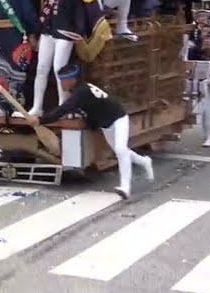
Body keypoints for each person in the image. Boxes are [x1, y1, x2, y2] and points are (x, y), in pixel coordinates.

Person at [42, 64, 153, 199]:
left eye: (63, 81)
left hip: (118, 118)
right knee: (122, 151)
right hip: (106, 124)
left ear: (72, 80)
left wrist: (41, 120)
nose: (61, 85)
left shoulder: (81, 92)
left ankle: (125, 188)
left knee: (120, 149)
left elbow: (65, 108)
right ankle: (144, 161)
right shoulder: (79, 91)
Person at [30, 0, 88, 117]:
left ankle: (63, 106)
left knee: (58, 69)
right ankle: (37, 106)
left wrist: (79, 31)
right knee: (41, 68)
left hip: (65, 32)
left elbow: (78, 8)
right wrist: (36, 32)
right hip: (48, 31)